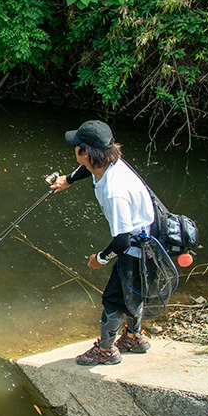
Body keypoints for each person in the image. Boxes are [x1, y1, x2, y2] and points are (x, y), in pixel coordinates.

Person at [49, 120, 155, 365]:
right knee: (134, 290)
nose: (74, 148)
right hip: (148, 236)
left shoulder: (115, 191)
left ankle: (106, 351)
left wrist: (100, 258)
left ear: (85, 152)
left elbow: (122, 240)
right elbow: (89, 168)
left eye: (77, 146)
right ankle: (134, 337)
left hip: (137, 244)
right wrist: (69, 179)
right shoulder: (109, 162)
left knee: (114, 298)